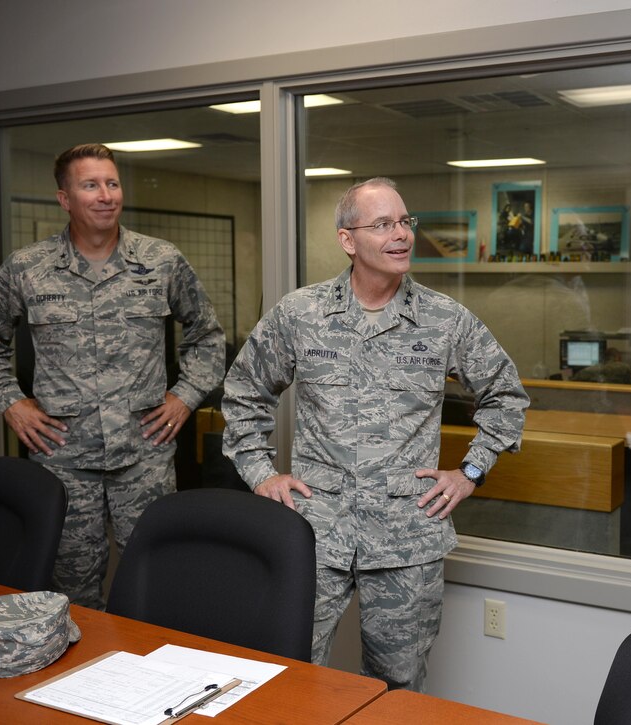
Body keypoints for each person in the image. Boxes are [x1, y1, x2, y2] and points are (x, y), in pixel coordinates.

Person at [221, 177, 528, 691]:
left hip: (407, 539)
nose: (401, 234)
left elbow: (506, 396)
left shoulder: (444, 319)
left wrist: (471, 471)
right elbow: (243, 393)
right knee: (286, 673)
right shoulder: (301, 314)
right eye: (383, 223)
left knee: (397, 690)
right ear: (348, 239)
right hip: (314, 532)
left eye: (405, 221)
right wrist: (259, 474)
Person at [0, 143, 225, 609]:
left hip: (144, 455)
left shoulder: (160, 261)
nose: (105, 195)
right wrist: (11, 401)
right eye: (90, 185)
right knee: (71, 592)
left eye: (112, 183)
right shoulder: (29, 268)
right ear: (65, 199)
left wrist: (184, 396)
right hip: (63, 458)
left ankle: (158, 679)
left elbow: (207, 335)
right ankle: (84, 681)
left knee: (158, 582)